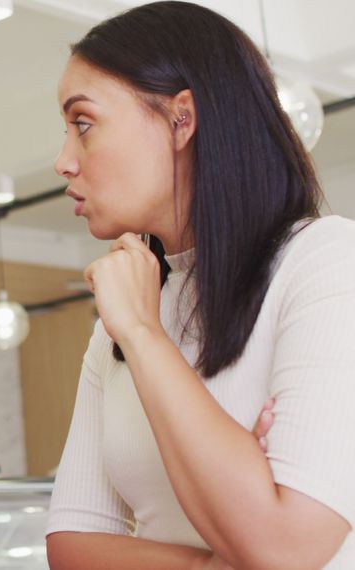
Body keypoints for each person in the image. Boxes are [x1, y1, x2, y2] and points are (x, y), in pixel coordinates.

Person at [46, 2, 355, 568]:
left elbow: (287, 547)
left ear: (180, 118)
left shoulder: (328, 261)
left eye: (83, 124)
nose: (63, 161)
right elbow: (71, 547)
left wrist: (145, 337)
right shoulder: (119, 319)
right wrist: (224, 557)